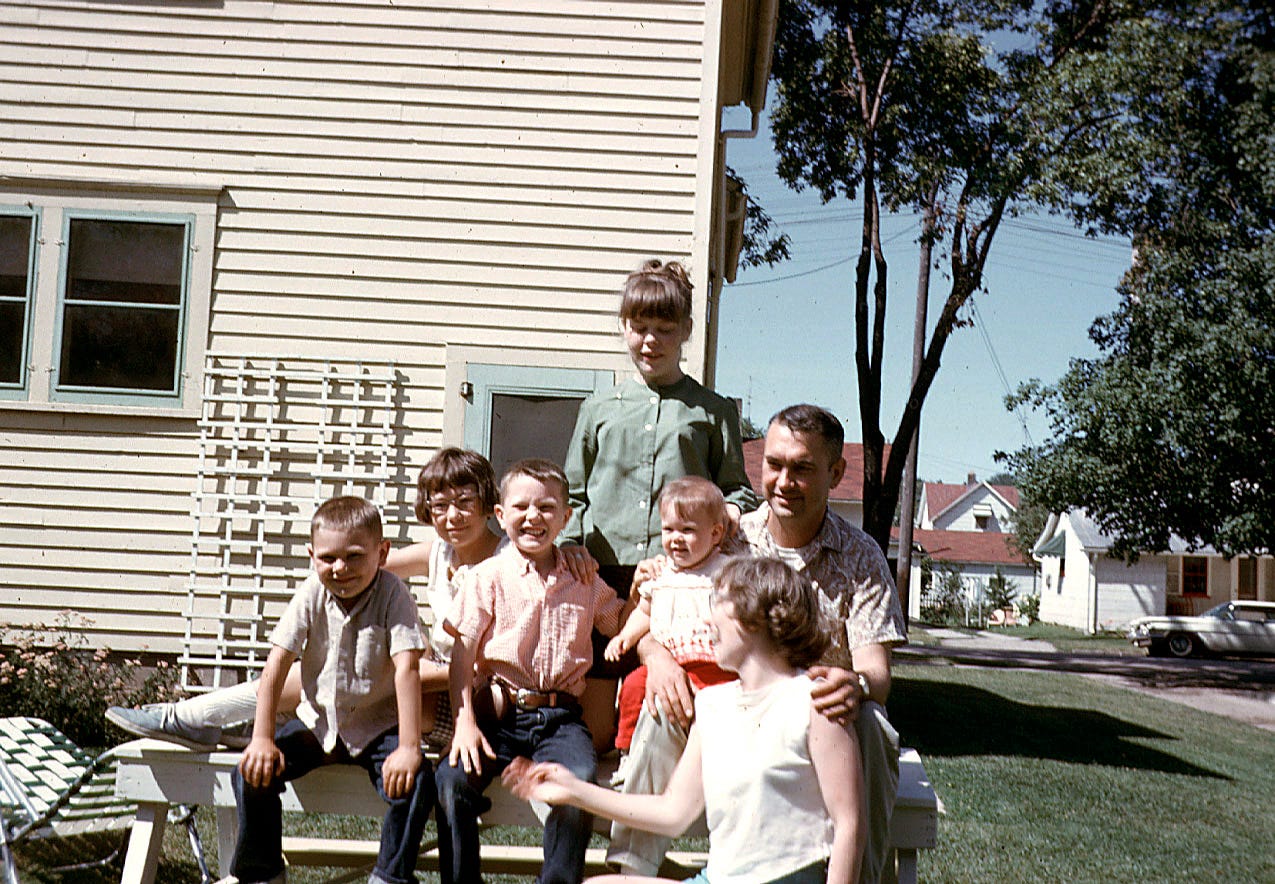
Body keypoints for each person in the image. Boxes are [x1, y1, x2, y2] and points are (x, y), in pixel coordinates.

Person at [614, 404, 907, 883]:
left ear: (835, 473)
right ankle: (631, 868)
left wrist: (854, 684)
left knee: (870, 721)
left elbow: (877, 670)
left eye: (802, 468)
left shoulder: (861, 556)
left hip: (814, 723)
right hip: (733, 711)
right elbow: (655, 607)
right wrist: (657, 655)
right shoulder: (724, 536)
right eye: (774, 464)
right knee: (661, 694)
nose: (784, 481)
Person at [105, 447, 507, 752]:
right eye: (440, 506)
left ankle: (200, 719)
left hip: (475, 698)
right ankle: (209, 720)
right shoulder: (438, 551)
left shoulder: (507, 559)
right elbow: (363, 565)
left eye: (465, 502)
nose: (453, 516)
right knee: (336, 661)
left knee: (356, 671)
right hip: (425, 681)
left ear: (488, 502)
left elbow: (491, 663)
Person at [506, 557, 865, 884]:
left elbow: (849, 823)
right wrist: (573, 790)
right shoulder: (712, 704)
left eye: (717, 604)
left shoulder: (815, 700)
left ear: (753, 617)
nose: (706, 620)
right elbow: (672, 812)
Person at [560, 258, 759, 746]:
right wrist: (569, 545)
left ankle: (651, 812)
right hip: (601, 578)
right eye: (639, 327)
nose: (650, 340)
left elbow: (738, 490)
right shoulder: (599, 407)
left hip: (678, 582)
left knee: (656, 715)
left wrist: (727, 515)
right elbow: (573, 492)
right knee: (598, 729)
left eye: (664, 329)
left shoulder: (712, 411)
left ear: (686, 330)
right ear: (625, 328)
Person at [436, 458, 631, 884]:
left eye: (546, 508)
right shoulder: (485, 578)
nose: (533, 518)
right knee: (451, 782)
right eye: (521, 507)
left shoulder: (584, 580)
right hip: (497, 716)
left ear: (566, 517)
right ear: (501, 515)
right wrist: (464, 723)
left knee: (578, 783)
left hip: (561, 719)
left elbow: (620, 624)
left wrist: (648, 590)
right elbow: (461, 658)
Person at [231, 495, 432, 884]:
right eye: (327, 558)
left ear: (383, 551)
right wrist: (261, 738)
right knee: (250, 772)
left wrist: (409, 747)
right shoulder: (312, 593)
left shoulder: (394, 595)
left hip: (377, 727)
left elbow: (407, 669)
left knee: (417, 779)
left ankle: (390, 876)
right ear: (312, 555)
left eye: (355, 556)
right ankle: (262, 872)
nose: (340, 569)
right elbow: (275, 667)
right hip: (316, 723)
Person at [604, 477, 734, 761]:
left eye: (688, 530)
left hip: (712, 661)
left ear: (715, 534)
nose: (676, 538)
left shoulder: (725, 572)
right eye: (668, 529)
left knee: (719, 701)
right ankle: (629, 751)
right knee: (633, 687)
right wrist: (624, 637)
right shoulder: (661, 573)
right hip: (667, 660)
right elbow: (645, 611)